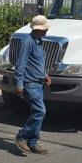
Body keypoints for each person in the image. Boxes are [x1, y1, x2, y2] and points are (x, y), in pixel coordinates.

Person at [13, 15, 52, 155]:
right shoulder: (27, 42)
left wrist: (45, 75)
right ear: (38, 30)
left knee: (37, 113)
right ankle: (22, 136)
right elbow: (20, 65)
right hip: (30, 84)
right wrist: (19, 85)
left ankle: (33, 143)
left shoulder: (39, 42)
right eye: (45, 29)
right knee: (40, 111)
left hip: (39, 83)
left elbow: (38, 63)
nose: (47, 31)